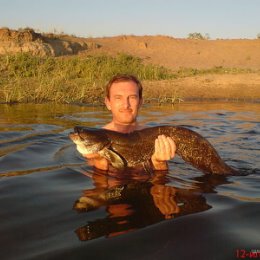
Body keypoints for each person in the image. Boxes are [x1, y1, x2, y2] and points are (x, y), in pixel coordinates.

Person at [81, 74, 176, 172]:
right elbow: (99, 183)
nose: (126, 105)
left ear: (140, 102)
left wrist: (159, 163)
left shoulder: (156, 139)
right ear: (108, 103)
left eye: (132, 97)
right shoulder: (93, 140)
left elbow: (161, 182)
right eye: (118, 98)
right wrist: (100, 161)